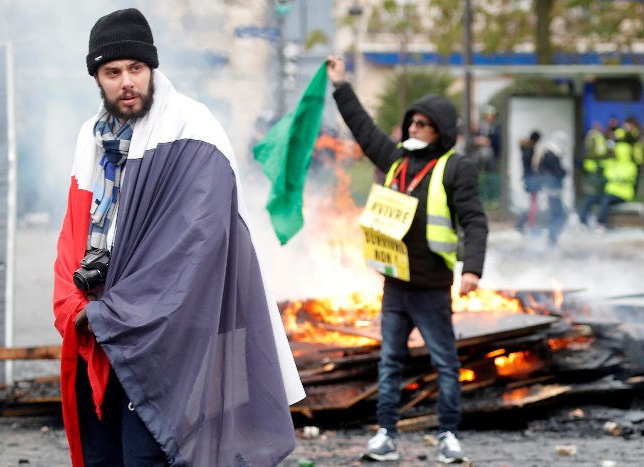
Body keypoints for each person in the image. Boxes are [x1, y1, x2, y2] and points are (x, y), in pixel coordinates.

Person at [52, 9, 304, 466]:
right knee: (103, 455)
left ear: (152, 69)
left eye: (136, 68)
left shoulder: (193, 125)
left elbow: (198, 244)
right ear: (96, 78)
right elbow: (74, 229)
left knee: (152, 455)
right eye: (113, 72)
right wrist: (74, 308)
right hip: (103, 337)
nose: (127, 81)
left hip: (169, 341)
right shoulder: (90, 136)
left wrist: (117, 312)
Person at [326, 55, 487, 464]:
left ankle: (449, 436)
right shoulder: (395, 160)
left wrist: (472, 270)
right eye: (411, 123)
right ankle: (385, 436)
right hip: (395, 284)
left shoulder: (455, 169)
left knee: (445, 364)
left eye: (422, 125)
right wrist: (341, 85)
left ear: (440, 131)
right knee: (390, 363)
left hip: (432, 287)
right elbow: (362, 129)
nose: (412, 129)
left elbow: (475, 221)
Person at [533, 131, 569, 246]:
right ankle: (551, 238)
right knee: (558, 214)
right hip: (552, 189)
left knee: (558, 214)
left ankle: (552, 237)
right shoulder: (551, 154)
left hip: (552, 188)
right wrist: (563, 172)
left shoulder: (550, 153)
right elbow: (555, 172)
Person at [515, 131, 542, 232]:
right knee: (533, 204)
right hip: (530, 178)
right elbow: (531, 166)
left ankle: (526, 223)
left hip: (529, 178)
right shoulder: (529, 150)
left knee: (533, 204)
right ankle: (529, 224)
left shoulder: (526, 149)